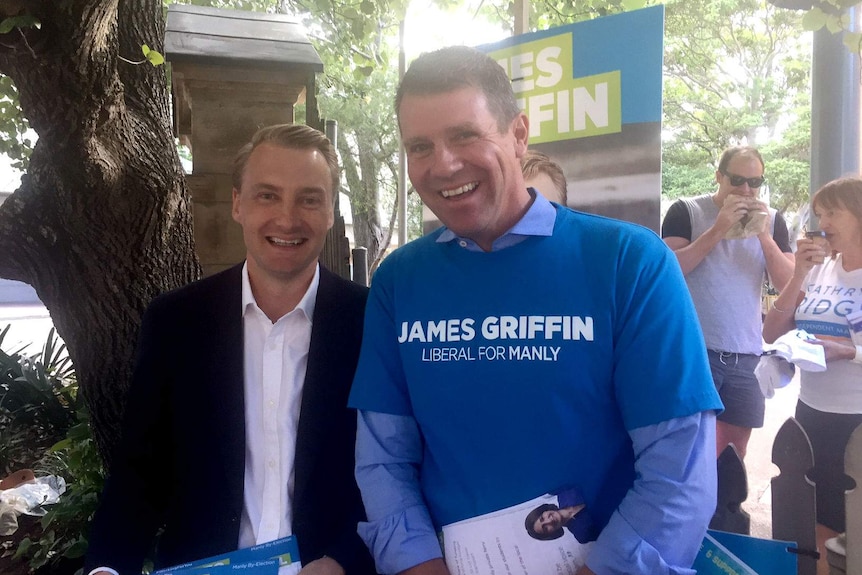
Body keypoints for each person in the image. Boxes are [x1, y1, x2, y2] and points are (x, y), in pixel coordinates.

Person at [349, 45, 722, 575]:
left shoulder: (629, 262)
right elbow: (384, 461)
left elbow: (679, 472)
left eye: (464, 135)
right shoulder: (400, 281)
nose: (443, 164)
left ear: (519, 134)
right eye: (420, 146)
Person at [84, 124, 376, 575]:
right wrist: (106, 569)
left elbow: (394, 474)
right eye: (267, 195)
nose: (287, 217)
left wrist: (343, 560)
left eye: (309, 198)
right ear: (237, 203)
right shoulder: (176, 322)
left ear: (331, 212)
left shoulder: (372, 323)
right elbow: (139, 474)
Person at [662, 146, 794, 460]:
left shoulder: (774, 221)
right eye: (737, 180)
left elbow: (787, 282)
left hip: (746, 354)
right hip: (694, 350)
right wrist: (718, 229)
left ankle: (726, 510)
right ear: (719, 176)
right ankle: (694, 509)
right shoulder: (686, 211)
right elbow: (669, 271)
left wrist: (763, 235)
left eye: (755, 182)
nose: (747, 190)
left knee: (733, 452)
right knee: (687, 448)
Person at [763, 177, 862, 575]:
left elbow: (846, 347)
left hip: (857, 419)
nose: (823, 222)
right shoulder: (822, 270)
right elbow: (772, 331)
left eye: (833, 212)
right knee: (818, 518)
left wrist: (849, 351)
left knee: (855, 525)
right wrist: (799, 274)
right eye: (819, 214)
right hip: (811, 412)